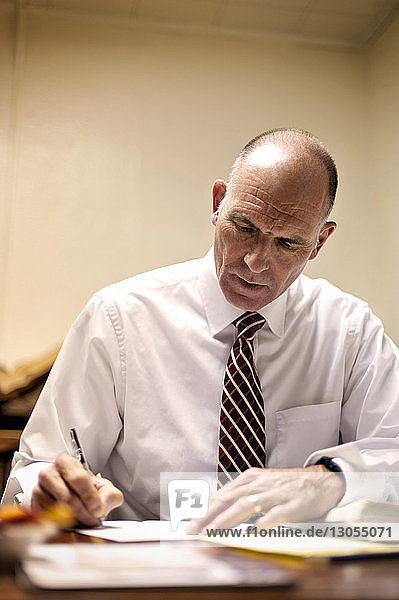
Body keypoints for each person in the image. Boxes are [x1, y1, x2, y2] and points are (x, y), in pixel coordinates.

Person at [3, 128, 399, 529]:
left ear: (319, 242)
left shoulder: (350, 330)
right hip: (151, 572)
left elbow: (394, 451)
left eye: (287, 244)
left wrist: (330, 478)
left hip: (297, 573)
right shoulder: (118, 318)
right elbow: (40, 464)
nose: (256, 262)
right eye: (245, 227)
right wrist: (49, 488)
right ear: (217, 203)